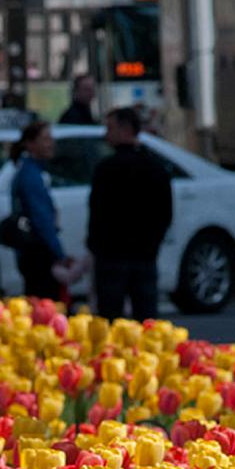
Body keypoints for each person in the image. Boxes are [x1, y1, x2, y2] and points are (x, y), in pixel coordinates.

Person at [87, 107, 173, 321]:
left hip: (111, 257)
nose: (105, 134)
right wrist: (153, 244)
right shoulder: (155, 167)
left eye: (110, 128)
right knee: (146, 320)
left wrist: (96, 248)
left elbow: (97, 215)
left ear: (125, 129)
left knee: (111, 320)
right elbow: (165, 213)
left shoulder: (106, 169)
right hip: (144, 255)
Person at [9, 121, 69, 300]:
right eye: (45, 139)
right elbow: (41, 218)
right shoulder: (30, 175)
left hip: (33, 251)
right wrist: (58, 253)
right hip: (38, 252)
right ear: (30, 144)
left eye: (51, 138)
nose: (51, 143)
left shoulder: (32, 170)